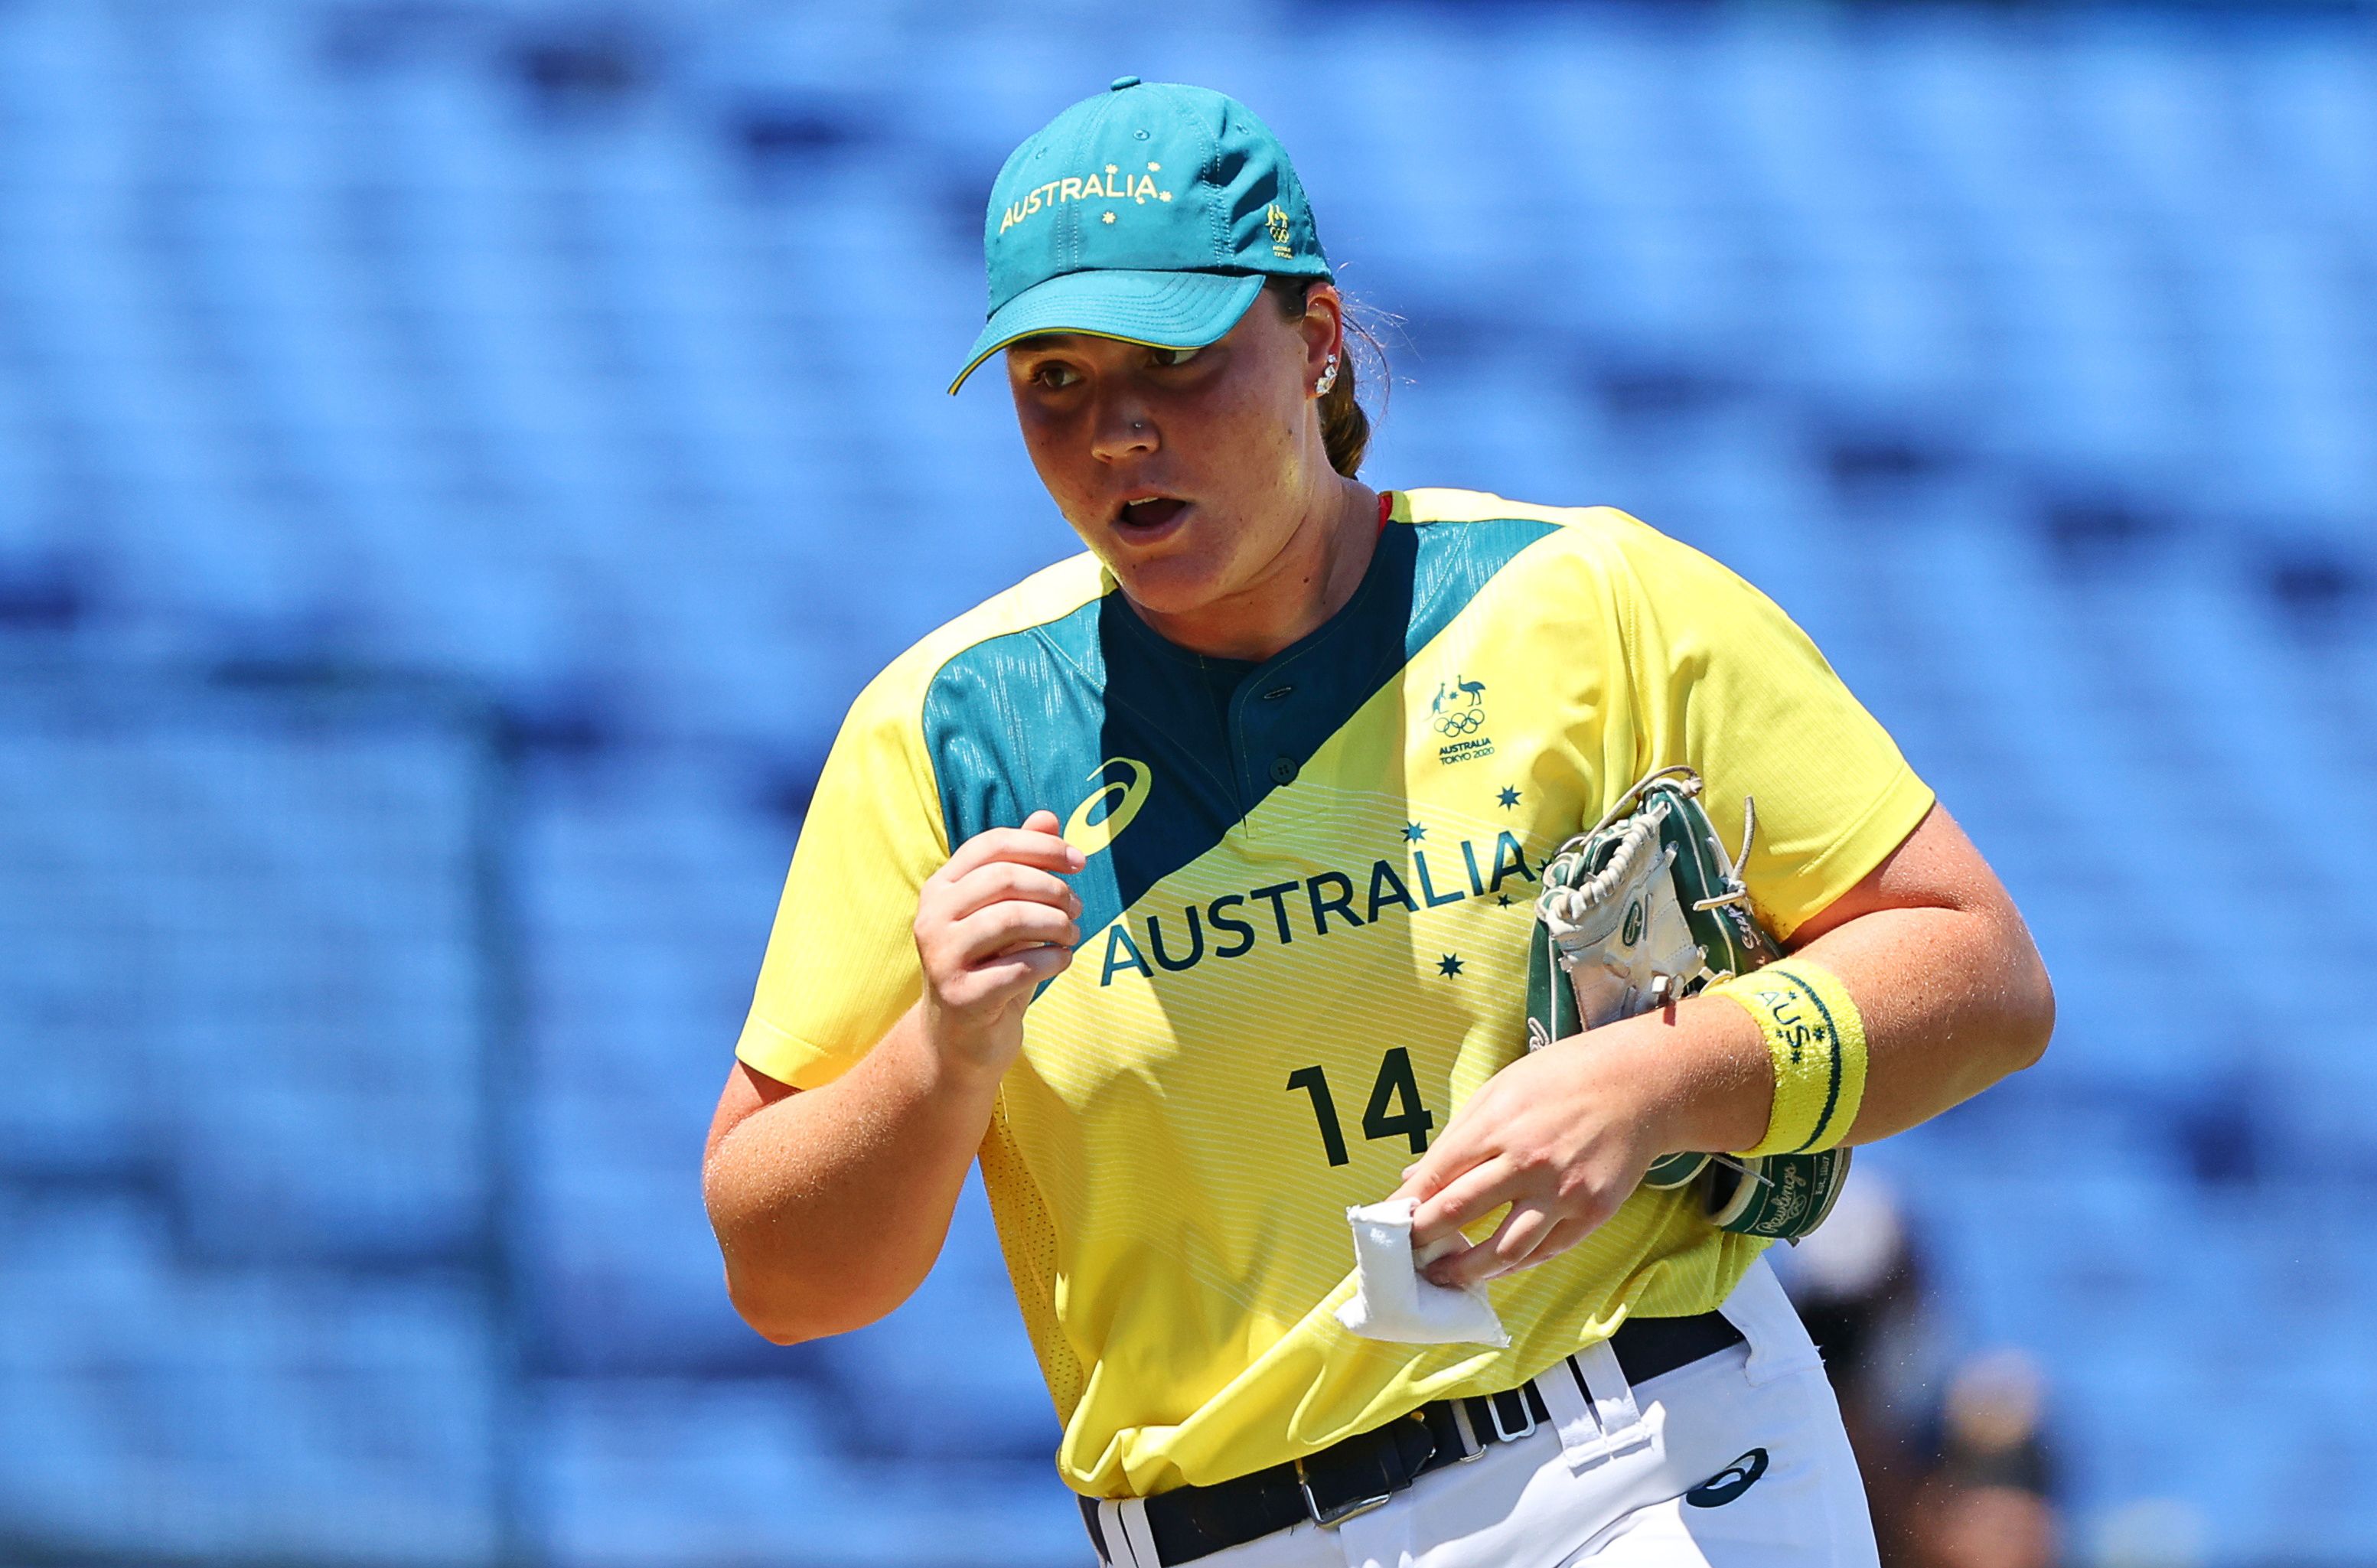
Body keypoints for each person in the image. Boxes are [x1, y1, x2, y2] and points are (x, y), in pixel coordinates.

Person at [703, 77, 2055, 1568]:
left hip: (1640, 1462)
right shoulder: (944, 727)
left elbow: (1979, 970)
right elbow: (784, 1274)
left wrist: (1659, 1080)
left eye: (1175, 356)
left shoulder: (1588, 601)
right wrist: (939, 1055)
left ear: (1317, 340)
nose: (1118, 431)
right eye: (1055, 380)